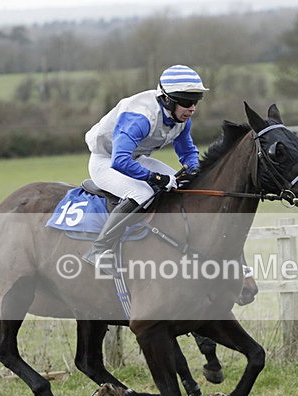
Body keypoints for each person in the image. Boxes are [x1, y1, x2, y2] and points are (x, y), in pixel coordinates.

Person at [82, 64, 208, 268]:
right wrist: (156, 178)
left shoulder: (182, 119)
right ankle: (98, 248)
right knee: (142, 193)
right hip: (106, 161)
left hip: (135, 158)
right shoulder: (140, 117)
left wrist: (193, 169)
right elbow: (120, 161)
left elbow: (187, 152)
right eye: (186, 102)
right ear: (166, 99)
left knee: (182, 185)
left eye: (196, 101)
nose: (192, 108)